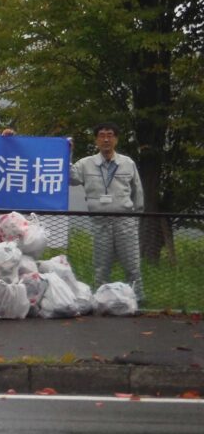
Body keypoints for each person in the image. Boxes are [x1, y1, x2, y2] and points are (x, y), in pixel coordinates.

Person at [70, 121, 144, 301]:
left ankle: (138, 298)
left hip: (124, 220)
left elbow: (138, 192)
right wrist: (67, 153)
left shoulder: (127, 163)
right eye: (101, 136)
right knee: (101, 264)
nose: (106, 140)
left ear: (116, 139)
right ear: (96, 140)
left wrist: (136, 216)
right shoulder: (86, 164)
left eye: (110, 135)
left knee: (132, 263)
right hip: (100, 221)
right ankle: (100, 299)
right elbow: (70, 178)